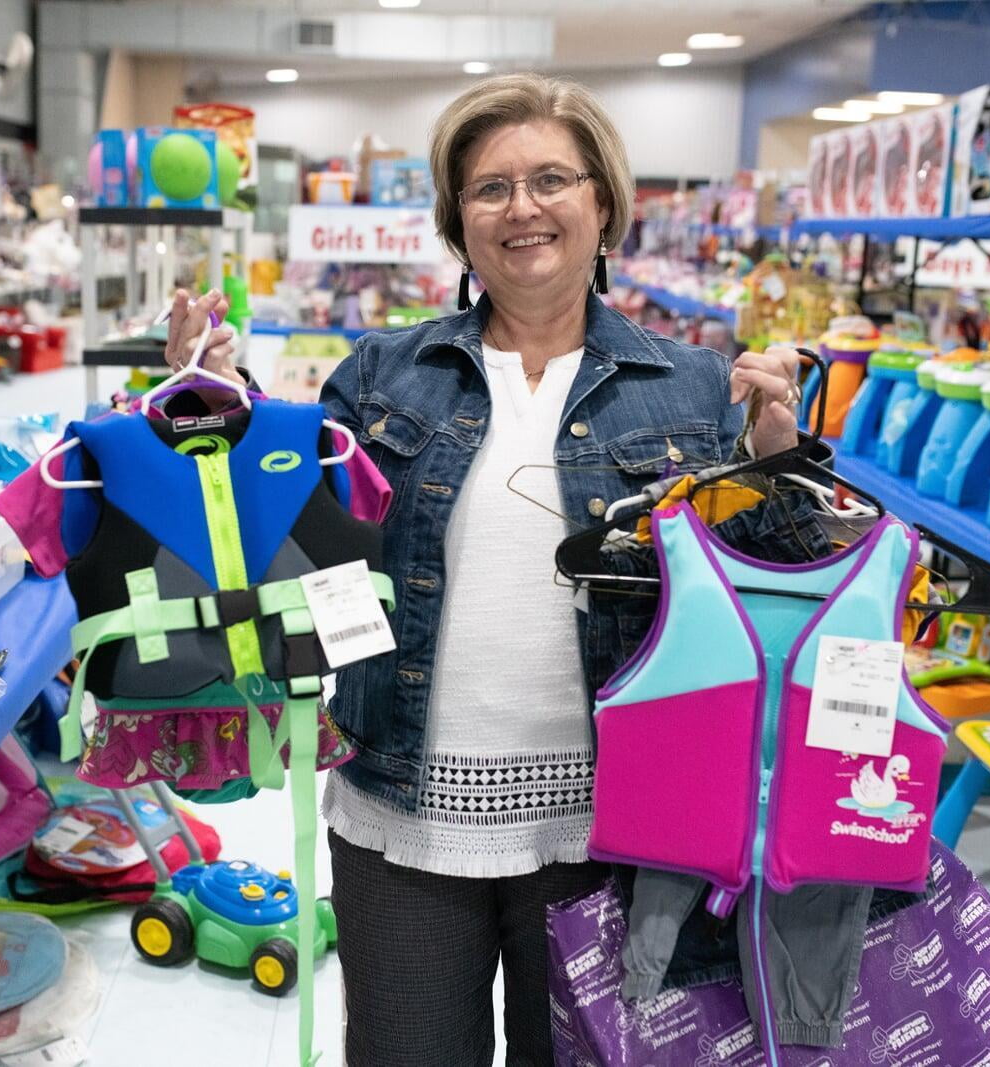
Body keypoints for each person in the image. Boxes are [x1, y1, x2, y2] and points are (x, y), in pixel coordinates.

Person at [162, 73, 805, 1066]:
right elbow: (282, 530)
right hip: (399, 815)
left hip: (616, 833)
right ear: (457, 221)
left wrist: (774, 462)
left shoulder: (696, 386)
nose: (522, 207)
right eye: (488, 188)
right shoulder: (382, 372)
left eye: (552, 178)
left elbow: (769, 600)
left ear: (602, 204)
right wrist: (215, 407)